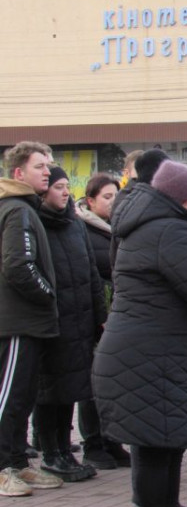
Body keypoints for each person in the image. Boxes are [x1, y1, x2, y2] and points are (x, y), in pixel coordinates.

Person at [93, 160, 187, 507]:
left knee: (161, 441)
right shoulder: (171, 231)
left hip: (150, 354)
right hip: (153, 357)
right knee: (157, 446)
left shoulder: (150, 225)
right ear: (180, 196)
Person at [33, 166, 105, 483]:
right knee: (50, 392)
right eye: (58, 186)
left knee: (71, 389)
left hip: (80, 320)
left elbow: (91, 274)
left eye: (66, 186)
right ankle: (51, 452)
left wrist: (99, 316)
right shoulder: (35, 224)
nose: (64, 192)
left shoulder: (75, 225)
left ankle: (64, 449)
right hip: (53, 321)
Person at [0, 141, 63, 497]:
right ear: (19, 173)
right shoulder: (17, 210)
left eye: (49, 165)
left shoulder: (25, 208)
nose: (49, 171)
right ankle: (3, 467)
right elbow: (18, 266)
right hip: (17, 323)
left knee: (22, 397)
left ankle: (17, 462)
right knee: (9, 397)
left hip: (27, 322)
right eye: (41, 166)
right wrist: (47, 294)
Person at [75, 173, 131, 470]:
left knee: (116, 382)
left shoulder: (120, 229)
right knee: (94, 383)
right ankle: (93, 443)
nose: (113, 202)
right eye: (106, 197)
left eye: (115, 196)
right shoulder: (84, 229)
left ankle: (113, 440)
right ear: (90, 201)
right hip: (98, 315)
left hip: (121, 313)